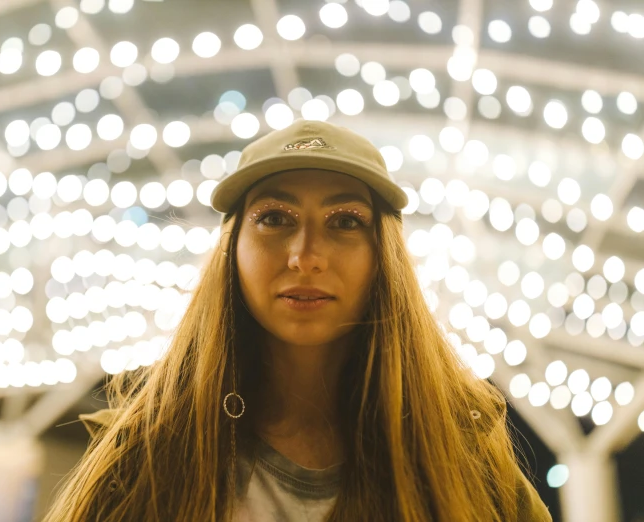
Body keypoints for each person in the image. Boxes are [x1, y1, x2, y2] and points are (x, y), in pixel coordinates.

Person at [43, 119, 554, 521]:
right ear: (233, 248)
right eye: (274, 218)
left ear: (385, 257)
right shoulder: (143, 451)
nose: (305, 255)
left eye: (346, 222)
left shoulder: (464, 459)